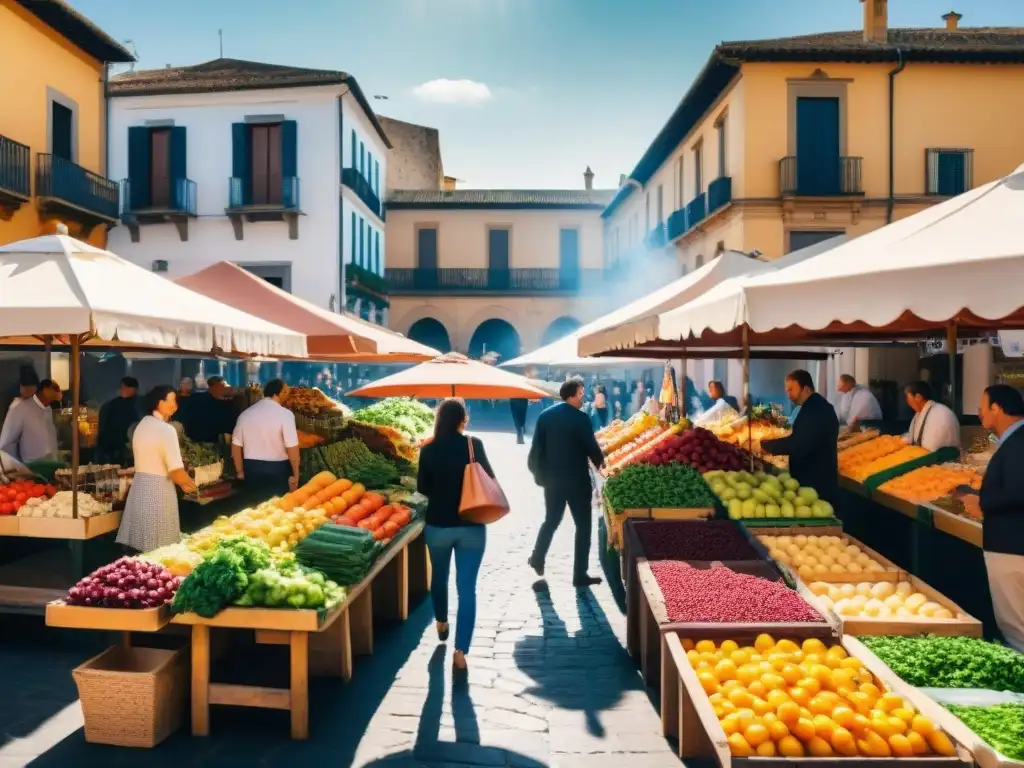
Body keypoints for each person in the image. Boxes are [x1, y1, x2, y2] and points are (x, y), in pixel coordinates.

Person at [416, 398, 490, 671]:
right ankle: (461, 652)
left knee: (439, 576)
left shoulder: (428, 449)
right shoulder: (474, 445)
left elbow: (422, 488)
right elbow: (488, 479)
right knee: (467, 588)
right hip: (471, 525)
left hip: (438, 525)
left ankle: (441, 621)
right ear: (463, 419)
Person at [528, 378, 605, 587]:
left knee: (551, 520)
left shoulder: (545, 416)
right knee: (583, 526)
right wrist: (603, 465)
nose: (583, 398)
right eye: (580, 394)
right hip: (577, 481)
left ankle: (537, 556)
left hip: (552, 481)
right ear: (571, 395)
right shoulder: (581, 418)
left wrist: (539, 475)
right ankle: (579, 574)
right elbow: (592, 448)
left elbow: (536, 450)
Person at [116, 386, 197, 552]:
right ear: (159, 402)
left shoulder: (142, 425)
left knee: (140, 546)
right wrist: (192, 487)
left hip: (139, 488)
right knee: (160, 548)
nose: (175, 406)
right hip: (159, 490)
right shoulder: (166, 430)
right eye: (172, 401)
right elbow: (176, 471)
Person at [976, 384, 1024, 652]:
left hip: (1011, 546)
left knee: (1016, 627)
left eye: (983, 406)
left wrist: (982, 502)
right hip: (1012, 545)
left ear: (996, 408)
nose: (980, 413)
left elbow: (1018, 490)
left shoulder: (1019, 443)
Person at [760, 369, 840, 504]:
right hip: (811, 484)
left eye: (791, 389)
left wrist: (765, 446)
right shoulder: (811, 406)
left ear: (806, 388)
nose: (788, 394)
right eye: (787, 390)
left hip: (817, 486)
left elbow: (798, 444)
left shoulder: (817, 410)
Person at [231, 379, 300, 501]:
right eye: (286, 392)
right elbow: (292, 448)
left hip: (252, 469)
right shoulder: (285, 414)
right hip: (278, 470)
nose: (287, 395)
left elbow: (235, 445)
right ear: (279, 393)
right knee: (277, 508)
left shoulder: (246, 414)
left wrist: (240, 471)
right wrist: (296, 473)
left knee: (255, 507)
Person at [0, 378, 60, 463]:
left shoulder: (47, 409)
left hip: (51, 466)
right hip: (29, 469)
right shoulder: (19, 407)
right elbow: (6, 446)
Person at [902, 381, 960, 451]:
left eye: (908, 397)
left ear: (918, 397)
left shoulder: (939, 413)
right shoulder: (919, 414)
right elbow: (912, 438)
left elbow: (930, 447)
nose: (908, 402)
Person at [97, 376, 142, 465]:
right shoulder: (139, 404)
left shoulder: (110, 405)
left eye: (124, 388)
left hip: (113, 447)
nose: (122, 390)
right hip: (123, 447)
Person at [180, 376, 237, 444]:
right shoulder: (220, 405)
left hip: (193, 441)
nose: (226, 388)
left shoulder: (195, 398)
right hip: (207, 444)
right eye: (224, 385)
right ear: (218, 386)